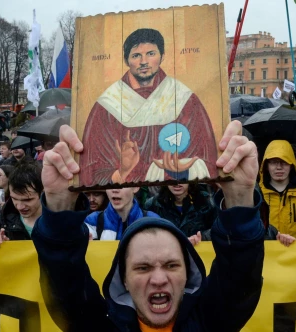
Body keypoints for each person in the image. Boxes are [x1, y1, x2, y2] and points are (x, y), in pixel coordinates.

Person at [31, 121, 264, 332]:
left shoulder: (211, 325)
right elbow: (65, 285)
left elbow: (239, 274)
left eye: (172, 265)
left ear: (188, 274)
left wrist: (241, 197)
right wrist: (60, 205)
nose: (159, 279)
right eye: (142, 268)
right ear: (123, 279)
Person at [79, 28, 218, 186]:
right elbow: (91, 171)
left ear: (162, 56)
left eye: (151, 54)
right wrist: (121, 172)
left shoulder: (183, 99)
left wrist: (181, 170)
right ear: (126, 61)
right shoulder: (107, 105)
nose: (143, 61)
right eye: (136, 55)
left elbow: (207, 159)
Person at [0, 164, 43, 247]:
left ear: (42, 193)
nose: (20, 207)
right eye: (14, 198)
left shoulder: (61, 220)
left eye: (28, 200)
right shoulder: (5, 221)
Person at [144, 183, 217, 239]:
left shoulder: (207, 202)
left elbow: (218, 230)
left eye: (182, 175)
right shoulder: (153, 204)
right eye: (172, 176)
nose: (177, 183)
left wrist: (200, 237)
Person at [84, 187, 160, 240]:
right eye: (110, 184)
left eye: (121, 184)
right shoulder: (92, 221)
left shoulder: (153, 221)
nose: (114, 190)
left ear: (135, 187)